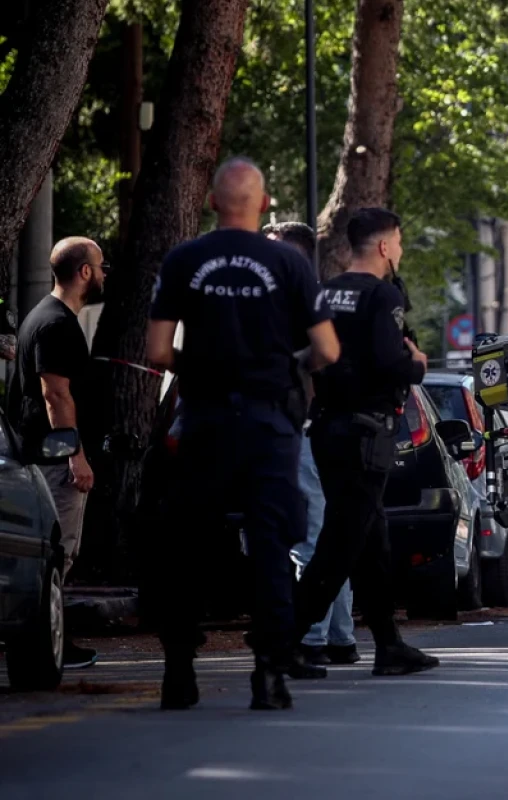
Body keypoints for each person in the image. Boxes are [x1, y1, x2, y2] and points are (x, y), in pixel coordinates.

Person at [146, 157, 340, 710]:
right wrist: (286, 363)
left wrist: (204, 368)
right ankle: (269, 674)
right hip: (270, 423)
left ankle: (179, 673)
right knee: (272, 544)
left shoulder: (185, 259)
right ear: (264, 203)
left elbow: (157, 352)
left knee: (187, 545)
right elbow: (327, 350)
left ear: (212, 202)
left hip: (203, 419)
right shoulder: (288, 263)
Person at [294, 207, 439, 677]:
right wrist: (416, 362)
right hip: (366, 433)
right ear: (382, 246)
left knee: (371, 541)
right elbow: (389, 362)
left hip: (329, 429)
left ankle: (389, 644)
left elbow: (310, 356)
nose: (398, 250)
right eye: (397, 242)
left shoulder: (327, 291)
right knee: (341, 543)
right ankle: (282, 633)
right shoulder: (382, 295)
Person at [264, 221, 358, 671]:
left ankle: (315, 636)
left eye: (272, 251)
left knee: (309, 541)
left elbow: (322, 365)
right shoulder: (324, 301)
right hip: (329, 433)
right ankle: (339, 636)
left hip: (303, 433)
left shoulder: (298, 304)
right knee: (327, 536)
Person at [10, 237, 108, 671]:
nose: (104, 275)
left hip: (45, 457)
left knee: (57, 556)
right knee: (58, 555)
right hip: (53, 461)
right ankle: (51, 645)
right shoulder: (56, 324)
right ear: (84, 272)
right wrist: (75, 455)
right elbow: (55, 393)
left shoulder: (44, 317)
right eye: (100, 267)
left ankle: (55, 640)